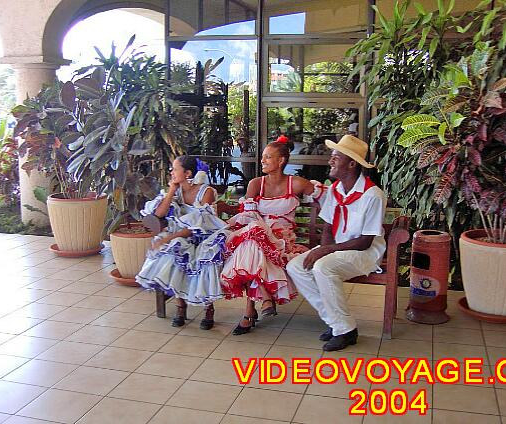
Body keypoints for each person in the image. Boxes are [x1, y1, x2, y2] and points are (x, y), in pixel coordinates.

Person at [286, 135, 387, 351]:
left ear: (351, 164)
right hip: (339, 249)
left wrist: (325, 251)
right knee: (295, 266)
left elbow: (365, 241)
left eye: (335, 157)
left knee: (323, 267)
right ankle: (338, 322)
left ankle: (344, 330)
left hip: (364, 253)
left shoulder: (372, 195)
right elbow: (329, 227)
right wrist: (323, 249)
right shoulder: (335, 190)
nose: (330, 161)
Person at [221, 135, 326, 335]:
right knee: (253, 237)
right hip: (257, 234)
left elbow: (326, 197)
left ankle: (250, 311)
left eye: (268, 157)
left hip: (282, 238)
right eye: (263, 157)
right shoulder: (255, 184)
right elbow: (247, 214)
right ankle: (263, 298)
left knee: (251, 241)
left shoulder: (296, 183)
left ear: (281, 161)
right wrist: (228, 224)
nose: (262, 161)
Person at [136, 156, 226, 330]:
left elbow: (198, 225)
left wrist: (168, 238)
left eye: (175, 169)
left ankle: (208, 308)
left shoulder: (205, 192)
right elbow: (160, 214)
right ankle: (180, 306)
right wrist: (171, 191)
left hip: (203, 236)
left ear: (188, 173)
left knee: (201, 257)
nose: (171, 172)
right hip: (180, 237)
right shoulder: (176, 191)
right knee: (171, 253)